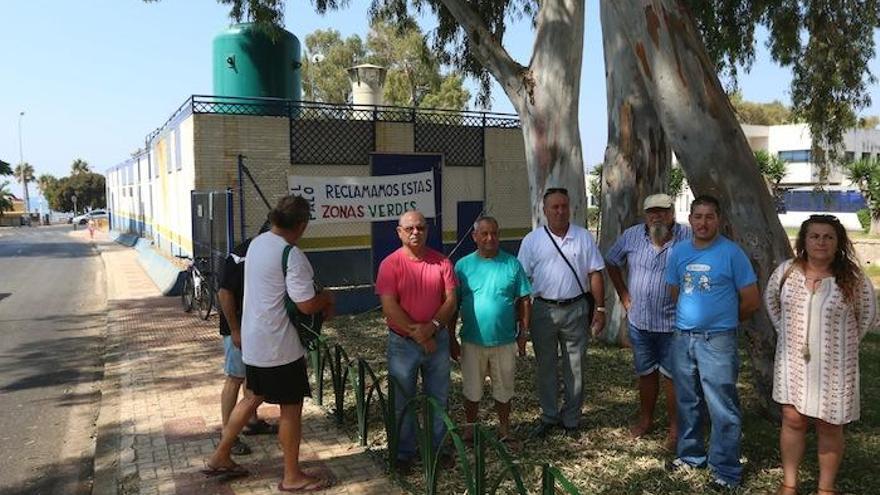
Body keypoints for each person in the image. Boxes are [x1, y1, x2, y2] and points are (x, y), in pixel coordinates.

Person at [204, 195, 335, 492]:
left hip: (254, 341)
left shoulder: (257, 244)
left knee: (252, 396)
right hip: (280, 346)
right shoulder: (291, 255)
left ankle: (220, 455)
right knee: (290, 408)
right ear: (301, 226)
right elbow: (305, 305)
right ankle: (291, 476)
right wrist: (326, 298)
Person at [764, 215, 877, 495]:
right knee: (792, 419)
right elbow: (772, 305)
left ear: (838, 242)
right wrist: (793, 337)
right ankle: (789, 483)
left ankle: (826, 488)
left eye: (828, 237)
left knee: (830, 424)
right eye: (815, 236)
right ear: (804, 240)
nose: (821, 242)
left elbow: (865, 317)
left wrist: (836, 343)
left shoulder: (853, 278)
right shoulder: (786, 273)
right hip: (792, 364)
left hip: (835, 366)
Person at [664, 194, 761, 491]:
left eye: (709, 216)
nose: (703, 222)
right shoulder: (678, 252)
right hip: (683, 339)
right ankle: (691, 456)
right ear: (690, 220)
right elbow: (674, 292)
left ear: (719, 220)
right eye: (698, 216)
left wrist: (722, 322)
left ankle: (726, 469)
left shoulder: (732, 254)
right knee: (688, 401)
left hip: (718, 341)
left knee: (722, 406)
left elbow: (751, 301)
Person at [517, 187, 606, 438]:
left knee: (575, 366)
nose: (559, 211)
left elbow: (595, 272)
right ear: (544, 211)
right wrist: (522, 319)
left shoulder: (583, 237)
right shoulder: (532, 241)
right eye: (554, 207)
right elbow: (523, 281)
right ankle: (548, 416)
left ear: (571, 208)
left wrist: (599, 308)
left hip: (576, 308)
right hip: (543, 310)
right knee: (545, 366)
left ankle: (572, 419)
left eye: (564, 206)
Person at [605, 193, 691, 449]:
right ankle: (646, 420)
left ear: (672, 214)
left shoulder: (687, 237)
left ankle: (675, 429)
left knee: (673, 378)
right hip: (640, 323)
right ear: (645, 215)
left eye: (662, 211)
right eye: (651, 212)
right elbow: (611, 261)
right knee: (646, 374)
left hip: (674, 324)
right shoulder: (631, 236)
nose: (657, 216)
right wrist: (623, 295)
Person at [376, 210, 458, 474]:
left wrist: (432, 328)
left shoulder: (443, 262)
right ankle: (403, 453)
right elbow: (389, 307)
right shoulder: (390, 264)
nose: (415, 232)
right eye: (409, 228)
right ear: (399, 232)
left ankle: (440, 449)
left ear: (427, 230)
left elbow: (450, 301)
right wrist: (418, 334)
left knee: (439, 397)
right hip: (403, 344)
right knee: (402, 400)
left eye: (421, 227)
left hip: (437, 341)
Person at [452, 216, 531, 445]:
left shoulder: (512, 264)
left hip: (504, 341)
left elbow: (525, 300)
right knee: (471, 389)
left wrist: (523, 334)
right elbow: (453, 304)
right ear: (475, 237)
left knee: (504, 388)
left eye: (494, 233)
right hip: (472, 340)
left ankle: (504, 430)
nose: (490, 238)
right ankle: (469, 429)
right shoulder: (462, 266)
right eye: (484, 234)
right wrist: (450, 338)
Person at [216, 229, 279, 457]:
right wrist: (234, 329)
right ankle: (227, 434)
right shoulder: (240, 256)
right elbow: (224, 294)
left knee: (251, 375)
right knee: (235, 377)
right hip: (238, 327)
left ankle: (251, 422)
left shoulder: (266, 252)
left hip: (254, 325)